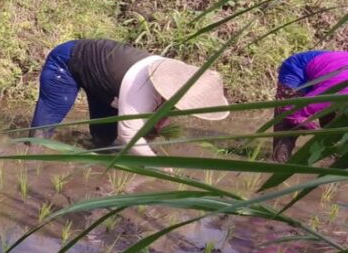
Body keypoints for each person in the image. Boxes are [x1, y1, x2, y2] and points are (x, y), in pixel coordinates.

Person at [28, 39, 229, 156]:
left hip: (104, 82)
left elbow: (165, 108)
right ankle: (28, 158)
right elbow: (128, 136)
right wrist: (159, 166)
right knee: (45, 127)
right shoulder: (141, 87)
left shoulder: (174, 78)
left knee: (104, 142)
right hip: (67, 61)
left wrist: (154, 130)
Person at [271, 50, 348, 162]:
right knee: (287, 126)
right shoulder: (340, 90)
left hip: (327, 67)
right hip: (298, 68)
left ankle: (330, 157)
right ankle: (279, 165)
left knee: (332, 121)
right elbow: (291, 111)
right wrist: (311, 127)